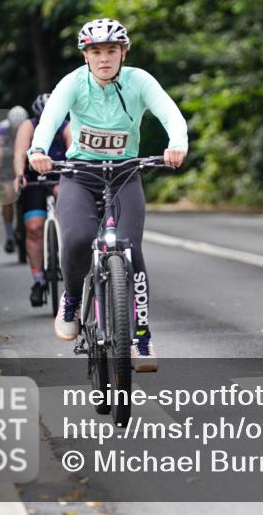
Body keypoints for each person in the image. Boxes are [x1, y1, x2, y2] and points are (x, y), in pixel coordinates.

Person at [28, 18, 187, 373]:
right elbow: (50, 119)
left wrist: (177, 144)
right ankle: (70, 300)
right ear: (86, 55)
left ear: (123, 53)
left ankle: (142, 338)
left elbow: (170, 113)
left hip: (126, 173)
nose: (103, 58)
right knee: (79, 239)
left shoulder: (139, 81)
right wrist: (38, 150)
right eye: (96, 51)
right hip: (79, 175)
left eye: (111, 51)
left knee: (131, 246)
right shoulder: (72, 83)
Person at [14, 94, 72, 305]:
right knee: (34, 227)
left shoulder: (66, 126)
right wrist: (20, 174)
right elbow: (20, 153)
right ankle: (38, 280)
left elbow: (74, 150)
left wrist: (70, 176)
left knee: (73, 221)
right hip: (34, 179)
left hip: (61, 176)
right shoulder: (28, 126)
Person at [0, 105, 29, 253]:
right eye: (15, 129)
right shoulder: (2, 128)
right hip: (7, 163)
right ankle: (9, 236)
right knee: (7, 195)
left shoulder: (30, 126)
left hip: (24, 162)